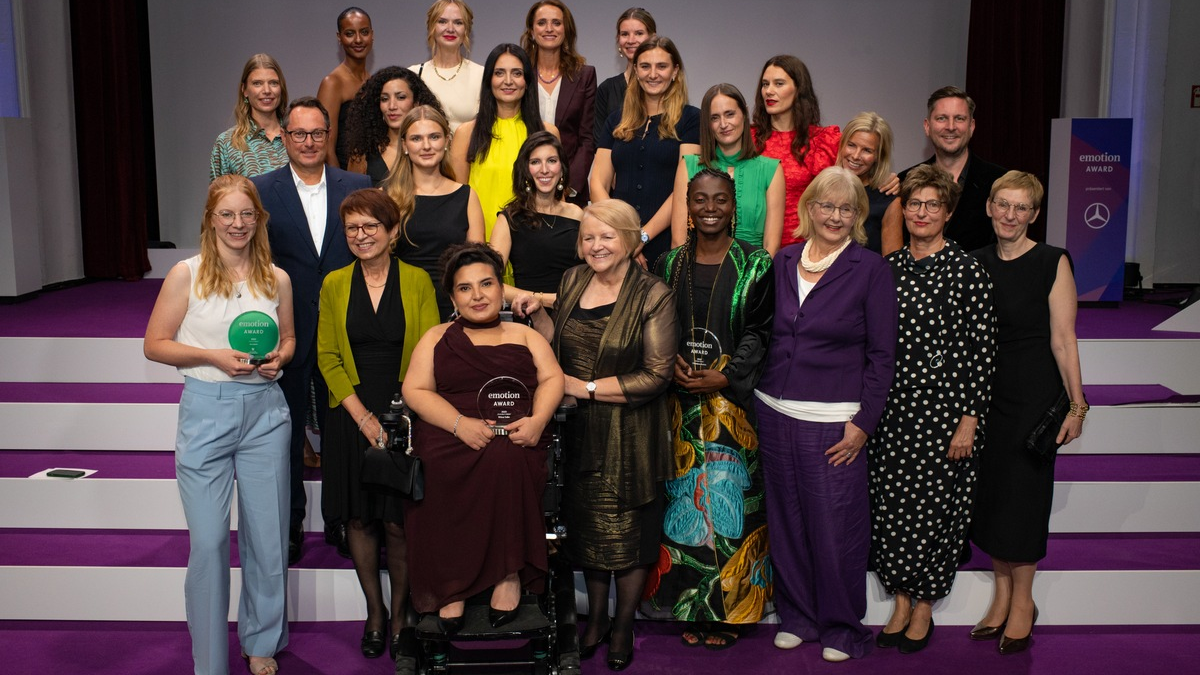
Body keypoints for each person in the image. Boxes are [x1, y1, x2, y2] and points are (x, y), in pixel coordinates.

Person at [144, 175, 295, 675]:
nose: (237, 224)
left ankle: (261, 641)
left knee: (267, 538)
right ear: (210, 219)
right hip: (206, 410)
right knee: (209, 544)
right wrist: (212, 356)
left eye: (247, 214)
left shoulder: (276, 278)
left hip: (266, 413)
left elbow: (289, 339)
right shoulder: (184, 274)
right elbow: (155, 345)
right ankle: (209, 661)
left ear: (259, 219)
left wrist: (280, 359)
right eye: (227, 214)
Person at [754, 166, 897, 662]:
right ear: (809, 208)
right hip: (774, 411)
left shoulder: (871, 269)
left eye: (846, 208)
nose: (835, 216)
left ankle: (841, 628)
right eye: (827, 206)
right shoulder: (783, 259)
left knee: (836, 530)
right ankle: (797, 616)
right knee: (787, 524)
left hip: (835, 421)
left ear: (858, 215)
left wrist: (863, 424)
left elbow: (883, 356)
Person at [401, 242, 565, 633]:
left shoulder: (524, 335)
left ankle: (508, 574)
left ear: (500, 287)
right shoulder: (437, 336)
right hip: (451, 430)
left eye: (486, 284)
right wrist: (460, 424)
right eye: (465, 288)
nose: (477, 295)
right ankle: (451, 583)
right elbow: (415, 390)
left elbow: (552, 379)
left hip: (515, 432)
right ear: (452, 297)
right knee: (434, 462)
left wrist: (538, 420)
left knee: (505, 456)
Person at [544, 199, 678, 670]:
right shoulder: (571, 280)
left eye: (606, 236)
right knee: (587, 528)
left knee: (630, 531)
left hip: (630, 431)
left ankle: (623, 626)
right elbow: (559, 343)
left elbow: (657, 375)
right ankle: (596, 619)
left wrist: (583, 387)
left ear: (630, 239)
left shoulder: (654, 293)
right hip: (577, 430)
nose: (596, 246)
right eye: (588, 237)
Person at [869, 164, 995, 654]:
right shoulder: (889, 269)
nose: (922, 213)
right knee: (893, 508)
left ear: (948, 212)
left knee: (939, 510)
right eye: (914, 204)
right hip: (894, 411)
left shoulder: (968, 271)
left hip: (947, 414)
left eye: (932, 205)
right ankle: (900, 601)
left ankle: (924, 605)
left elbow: (983, 353)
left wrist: (969, 419)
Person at [649, 169, 775, 650]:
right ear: (687, 205)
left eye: (720, 199)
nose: (710, 208)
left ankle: (733, 612)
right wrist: (667, 364)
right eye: (700, 199)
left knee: (730, 505)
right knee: (685, 505)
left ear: (733, 206)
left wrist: (727, 374)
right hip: (679, 401)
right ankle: (691, 606)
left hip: (731, 407)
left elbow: (761, 330)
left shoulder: (756, 263)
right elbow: (655, 324)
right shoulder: (668, 264)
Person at [316, 189, 439, 667]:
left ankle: (403, 615)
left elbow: (429, 349)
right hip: (350, 413)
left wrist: (399, 413)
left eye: (370, 226)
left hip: (406, 411)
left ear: (391, 231)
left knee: (397, 521)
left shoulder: (417, 280)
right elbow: (327, 356)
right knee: (359, 519)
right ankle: (375, 612)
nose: (361, 235)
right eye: (352, 228)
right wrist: (363, 416)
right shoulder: (333, 284)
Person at [970, 171, 1086, 655]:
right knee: (993, 499)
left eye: (1021, 207)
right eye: (1003, 204)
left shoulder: (1051, 261)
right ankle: (1001, 597)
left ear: (1034, 214)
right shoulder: (975, 262)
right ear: (989, 207)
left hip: (1034, 397)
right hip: (987, 399)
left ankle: (1023, 602)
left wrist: (1077, 404)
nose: (1010, 215)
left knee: (1024, 501)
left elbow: (1064, 339)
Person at [252, 97, 373, 564]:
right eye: (299, 133)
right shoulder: (262, 190)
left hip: (345, 332)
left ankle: (342, 518)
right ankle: (290, 522)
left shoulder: (357, 185)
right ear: (284, 136)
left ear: (328, 135)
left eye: (317, 133)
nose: (308, 142)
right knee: (284, 437)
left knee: (342, 434)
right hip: (287, 332)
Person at [592, 36, 700, 267]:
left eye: (661, 66)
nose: (653, 74)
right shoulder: (615, 120)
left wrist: (642, 237)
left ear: (675, 71)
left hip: (668, 242)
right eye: (645, 66)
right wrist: (624, 237)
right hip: (617, 243)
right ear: (635, 70)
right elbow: (598, 183)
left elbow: (686, 187)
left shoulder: (692, 119)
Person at [382, 105, 486, 320]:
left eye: (434, 137)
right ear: (405, 145)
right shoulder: (387, 197)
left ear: (447, 141)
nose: (426, 146)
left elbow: (476, 264)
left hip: (453, 305)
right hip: (400, 303)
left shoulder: (466, 196)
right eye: (417, 138)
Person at [451, 43, 558, 241]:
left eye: (517, 73)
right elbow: (457, 202)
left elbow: (558, 201)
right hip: (481, 244)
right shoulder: (466, 134)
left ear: (527, 81)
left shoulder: (547, 133)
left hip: (535, 241)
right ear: (489, 80)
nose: (508, 81)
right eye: (499, 73)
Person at [670, 83, 784, 254]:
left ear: (744, 113)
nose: (723, 124)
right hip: (697, 266)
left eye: (730, 114)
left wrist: (754, 272)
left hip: (754, 267)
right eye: (714, 118)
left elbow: (771, 246)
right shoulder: (689, 165)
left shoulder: (771, 169)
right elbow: (678, 241)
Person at [897, 86, 1006, 253]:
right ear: (927, 126)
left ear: (971, 126)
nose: (950, 126)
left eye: (959, 119)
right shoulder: (904, 180)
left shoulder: (999, 182)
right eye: (942, 118)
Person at [751, 55, 841, 248]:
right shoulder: (749, 139)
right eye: (765, 84)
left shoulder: (822, 141)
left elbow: (851, 186)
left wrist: (886, 180)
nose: (769, 91)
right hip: (752, 248)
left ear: (799, 89)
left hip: (804, 250)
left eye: (779, 84)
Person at [490, 131, 583, 311]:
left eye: (552, 161)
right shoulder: (509, 219)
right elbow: (491, 282)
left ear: (562, 168)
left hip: (577, 313)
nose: (544, 169)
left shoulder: (577, 214)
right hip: (532, 315)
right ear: (525, 170)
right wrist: (544, 300)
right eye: (535, 162)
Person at [521, 0, 596, 207]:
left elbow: (587, 139)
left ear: (566, 29)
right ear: (531, 31)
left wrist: (567, 186)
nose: (549, 29)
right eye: (541, 23)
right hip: (523, 187)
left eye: (556, 23)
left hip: (570, 192)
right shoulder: (520, 74)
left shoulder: (584, 75)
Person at [343, 67, 445, 185]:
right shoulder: (362, 154)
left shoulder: (433, 149)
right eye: (384, 99)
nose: (392, 106)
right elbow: (353, 194)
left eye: (401, 97)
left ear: (416, 102)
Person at [210, 54, 289, 180]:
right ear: (244, 90)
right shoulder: (227, 143)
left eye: (273, 83)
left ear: (281, 88)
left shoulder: (297, 136)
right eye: (257, 83)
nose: (267, 90)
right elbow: (218, 192)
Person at [410, 0, 485, 131]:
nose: (450, 29)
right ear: (431, 27)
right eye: (442, 21)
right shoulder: (415, 75)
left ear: (466, 30)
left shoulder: (481, 74)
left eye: (458, 22)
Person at [837, 112, 902, 255]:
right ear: (842, 145)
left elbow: (891, 262)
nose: (855, 156)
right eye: (851, 145)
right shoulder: (824, 189)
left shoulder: (888, 200)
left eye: (867, 150)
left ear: (879, 156)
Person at [317, 6, 374, 169]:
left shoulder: (372, 81)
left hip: (372, 175)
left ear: (372, 35)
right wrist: (340, 181)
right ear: (339, 37)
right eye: (350, 34)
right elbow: (326, 148)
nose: (358, 40)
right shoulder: (333, 83)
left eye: (364, 32)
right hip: (344, 175)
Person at [593, 8, 656, 144]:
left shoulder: (664, 85)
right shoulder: (606, 89)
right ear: (618, 40)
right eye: (625, 34)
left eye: (639, 33)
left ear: (652, 38)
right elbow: (599, 142)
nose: (631, 40)